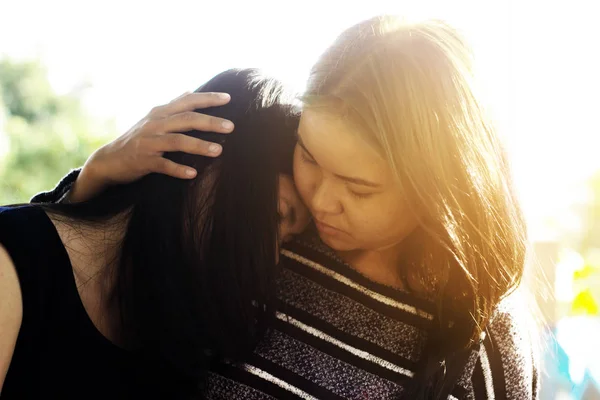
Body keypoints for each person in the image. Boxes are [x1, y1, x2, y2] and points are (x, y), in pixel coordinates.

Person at [23, 16, 539, 399]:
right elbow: (73, 316)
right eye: (309, 156)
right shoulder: (269, 229)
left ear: (438, 191)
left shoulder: (480, 334)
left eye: (359, 189)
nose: (319, 199)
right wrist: (95, 178)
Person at [0, 68, 310, 399]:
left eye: (287, 240)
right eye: (278, 216)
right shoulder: (16, 259)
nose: (274, 257)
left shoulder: (179, 333)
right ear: (204, 150)